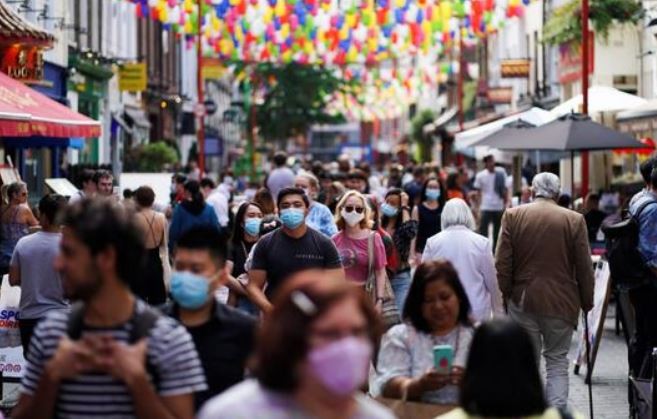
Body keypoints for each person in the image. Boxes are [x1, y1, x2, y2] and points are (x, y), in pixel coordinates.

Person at [12, 199, 206, 419]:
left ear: (106, 258)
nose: (58, 264)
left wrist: (137, 381)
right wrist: (51, 375)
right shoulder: (50, 334)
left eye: (69, 253)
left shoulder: (168, 340)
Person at [198, 272, 394, 419]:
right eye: (329, 334)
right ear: (292, 339)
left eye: (357, 332)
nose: (347, 346)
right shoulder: (232, 414)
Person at [496, 172, 594, 408]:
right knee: (558, 362)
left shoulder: (513, 215)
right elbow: (584, 267)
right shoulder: (574, 219)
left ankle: (529, 411)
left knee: (527, 362)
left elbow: (502, 262)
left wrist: (507, 294)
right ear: (557, 194)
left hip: (523, 299)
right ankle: (557, 414)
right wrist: (587, 302)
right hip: (561, 302)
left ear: (531, 191)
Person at [167, 227, 256, 410]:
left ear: (221, 276)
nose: (186, 276)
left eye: (196, 269)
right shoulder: (153, 326)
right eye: (180, 267)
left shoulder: (244, 329)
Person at [375, 261, 474, 404]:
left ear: (459, 297)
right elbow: (387, 384)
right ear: (418, 304)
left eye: (445, 297)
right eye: (428, 300)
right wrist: (418, 385)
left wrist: (471, 382)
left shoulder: (477, 336)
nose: (438, 306)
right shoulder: (401, 337)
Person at [438, 320, 580, 419]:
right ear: (530, 370)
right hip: (562, 306)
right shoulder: (569, 418)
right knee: (557, 361)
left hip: (524, 302)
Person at [247, 187, 344, 314]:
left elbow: (337, 284)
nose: (291, 209)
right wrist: (270, 311)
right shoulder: (266, 243)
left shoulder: (324, 243)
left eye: (297, 205)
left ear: (307, 211)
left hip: (314, 318)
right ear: (279, 211)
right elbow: (254, 286)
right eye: (285, 205)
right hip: (277, 317)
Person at [422, 199, 503, 322]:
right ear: (468, 215)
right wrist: (499, 313)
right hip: (476, 310)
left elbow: (424, 279)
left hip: (443, 310)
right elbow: (492, 282)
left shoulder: (432, 243)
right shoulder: (482, 243)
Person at [9, 194, 68, 356]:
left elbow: (13, 279)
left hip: (30, 318)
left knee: (35, 370)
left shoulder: (23, 243)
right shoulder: (71, 247)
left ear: (42, 215)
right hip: (62, 318)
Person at [332, 191, 386, 310]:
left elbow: (380, 272)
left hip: (366, 298)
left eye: (359, 209)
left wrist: (380, 300)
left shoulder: (374, 238)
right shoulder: (334, 240)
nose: (354, 212)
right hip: (340, 300)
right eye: (349, 208)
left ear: (364, 212)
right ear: (341, 209)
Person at [627, 167, 657, 379]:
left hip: (637, 281)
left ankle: (637, 391)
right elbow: (650, 254)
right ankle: (643, 389)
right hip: (649, 283)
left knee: (642, 336)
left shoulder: (638, 198)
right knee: (650, 339)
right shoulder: (653, 209)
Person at [381, 189, 418, 311]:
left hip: (400, 277)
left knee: (402, 315)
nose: (388, 206)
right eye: (387, 202)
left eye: (393, 204)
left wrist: (405, 207)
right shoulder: (378, 225)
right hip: (380, 278)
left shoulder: (402, 228)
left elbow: (410, 231)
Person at [134, 186, 169, 305]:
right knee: (158, 302)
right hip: (155, 262)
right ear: (153, 200)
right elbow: (164, 244)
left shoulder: (133, 219)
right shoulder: (161, 217)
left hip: (138, 262)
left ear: (137, 200)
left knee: (138, 302)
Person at [228, 201, 264, 314]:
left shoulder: (268, 243)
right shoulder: (232, 246)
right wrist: (253, 292)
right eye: (251, 215)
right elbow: (225, 276)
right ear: (241, 222)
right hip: (242, 302)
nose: (256, 219)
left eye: (260, 216)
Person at [169, 180, 220, 252]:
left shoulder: (180, 209)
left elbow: (174, 231)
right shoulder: (209, 209)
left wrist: (171, 249)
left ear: (187, 192)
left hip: (185, 249)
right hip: (204, 250)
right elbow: (216, 230)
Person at [0, 182, 39, 275]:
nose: (27, 196)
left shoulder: (2, 208)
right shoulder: (23, 210)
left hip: (2, 254)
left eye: (27, 194)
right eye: (24, 194)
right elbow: (36, 226)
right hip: (18, 256)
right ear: (14, 195)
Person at [474, 155, 507, 249]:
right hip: (485, 206)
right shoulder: (480, 175)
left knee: (497, 231)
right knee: (483, 231)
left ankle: (495, 251)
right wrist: (477, 207)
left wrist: (505, 203)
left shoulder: (501, 173)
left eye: (492, 161)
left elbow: (504, 189)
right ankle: (484, 249)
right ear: (485, 163)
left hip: (498, 205)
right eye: (489, 162)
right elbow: (478, 192)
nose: (491, 164)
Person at [411, 178, 445, 264]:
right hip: (422, 252)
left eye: (435, 187)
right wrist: (412, 254)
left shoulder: (445, 208)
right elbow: (413, 233)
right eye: (430, 187)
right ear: (425, 189)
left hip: (441, 251)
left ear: (440, 190)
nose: (432, 190)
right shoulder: (417, 209)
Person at [296, 172, 338, 237]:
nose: (299, 189)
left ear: (313, 190)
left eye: (304, 187)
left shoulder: (322, 210)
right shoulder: (289, 208)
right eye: (297, 186)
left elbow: (333, 235)